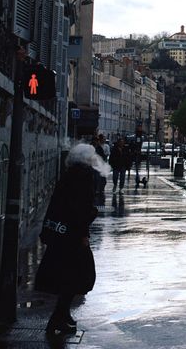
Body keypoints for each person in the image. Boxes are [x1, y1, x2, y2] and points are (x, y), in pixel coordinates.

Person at [35, 143, 110, 336]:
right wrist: (84, 232)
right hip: (72, 236)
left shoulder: (69, 174)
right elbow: (79, 209)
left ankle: (64, 315)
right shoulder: (83, 176)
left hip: (61, 234)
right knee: (75, 277)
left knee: (66, 276)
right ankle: (57, 319)